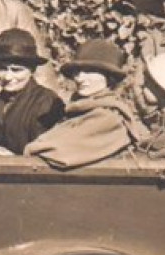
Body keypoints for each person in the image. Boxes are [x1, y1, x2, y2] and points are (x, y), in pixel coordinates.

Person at [27, 38, 144, 170]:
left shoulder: (110, 118)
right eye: (77, 71)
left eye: (89, 71)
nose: (80, 78)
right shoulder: (78, 110)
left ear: (108, 76)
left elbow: (59, 151)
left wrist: (28, 150)